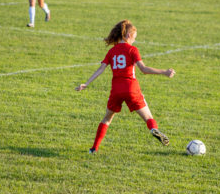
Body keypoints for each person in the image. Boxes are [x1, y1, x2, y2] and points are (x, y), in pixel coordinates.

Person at [75, 20, 176, 154]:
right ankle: (153, 129)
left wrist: (86, 83)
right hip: (131, 88)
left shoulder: (112, 51)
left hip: (116, 90)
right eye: (135, 37)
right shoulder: (132, 50)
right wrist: (164, 72)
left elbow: (101, 69)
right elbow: (144, 69)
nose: (135, 40)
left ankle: (94, 148)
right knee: (148, 118)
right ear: (128, 35)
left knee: (107, 119)